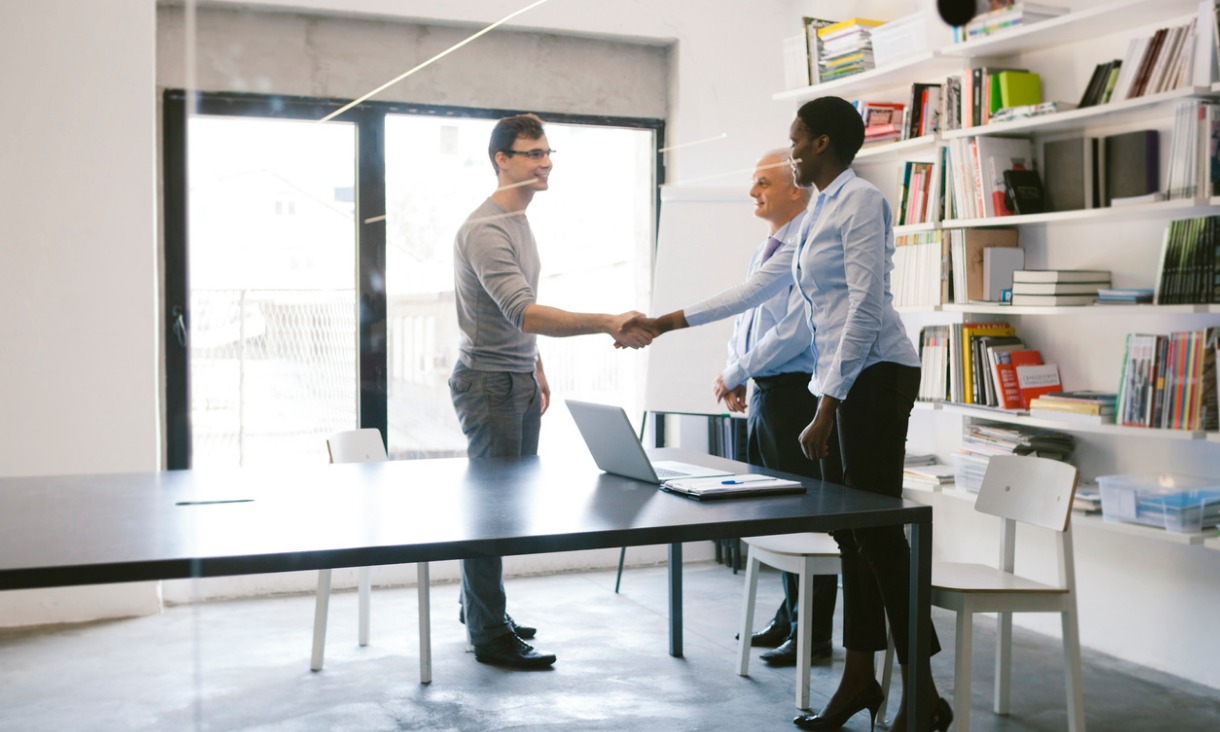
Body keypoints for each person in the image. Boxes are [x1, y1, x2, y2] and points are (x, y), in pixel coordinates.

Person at [624, 97, 951, 732]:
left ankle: (925, 693)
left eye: (796, 140)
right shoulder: (816, 213)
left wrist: (827, 403)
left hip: (877, 376)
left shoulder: (862, 202)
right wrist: (666, 322)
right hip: (847, 379)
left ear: (822, 144)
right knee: (853, 534)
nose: (791, 149)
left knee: (879, 534)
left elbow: (865, 307)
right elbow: (758, 288)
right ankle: (860, 680)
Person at [450, 113, 650, 669]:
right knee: (492, 515)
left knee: (503, 510)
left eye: (547, 152)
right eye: (532, 153)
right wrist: (609, 321)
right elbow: (525, 309)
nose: (545, 163)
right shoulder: (487, 229)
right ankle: (489, 633)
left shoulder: (519, 221)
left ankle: (478, 609)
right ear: (502, 160)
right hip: (489, 384)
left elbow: (514, 315)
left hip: (511, 376)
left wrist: (533, 363)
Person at [721, 148, 841, 669]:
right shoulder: (764, 248)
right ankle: (790, 615)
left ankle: (812, 635)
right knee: (774, 515)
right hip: (765, 392)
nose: (754, 192)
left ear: (797, 187)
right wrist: (736, 370)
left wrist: (737, 371)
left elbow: (794, 331)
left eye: (764, 182)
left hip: (796, 393)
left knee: (803, 516)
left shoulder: (809, 246)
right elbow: (743, 319)